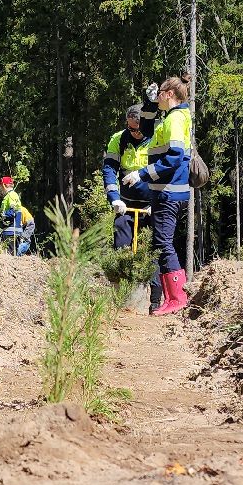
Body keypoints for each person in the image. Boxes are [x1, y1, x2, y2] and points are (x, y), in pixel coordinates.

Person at [120, 74, 193, 316]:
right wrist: (150, 104)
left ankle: (177, 298)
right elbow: (148, 129)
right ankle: (171, 298)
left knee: (163, 243)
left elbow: (174, 157)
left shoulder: (175, 119)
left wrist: (142, 174)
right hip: (166, 191)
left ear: (169, 94)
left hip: (168, 192)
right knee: (160, 243)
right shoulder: (173, 117)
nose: (158, 96)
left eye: (160, 94)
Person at [101, 103, 152, 250]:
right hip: (126, 204)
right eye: (131, 129)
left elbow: (166, 170)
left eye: (138, 129)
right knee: (121, 245)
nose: (135, 133)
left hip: (151, 204)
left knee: (153, 251)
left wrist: (158, 202)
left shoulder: (157, 139)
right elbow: (109, 169)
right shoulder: (118, 139)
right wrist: (114, 198)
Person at [0, 175, 36, 255]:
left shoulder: (12, 195)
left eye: (0, 187)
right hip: (9, 232)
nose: (0, 189)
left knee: (11, 257)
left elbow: (13, 212)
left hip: (12, 232)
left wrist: (24, 237)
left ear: (4, 185)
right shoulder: (9, 197)